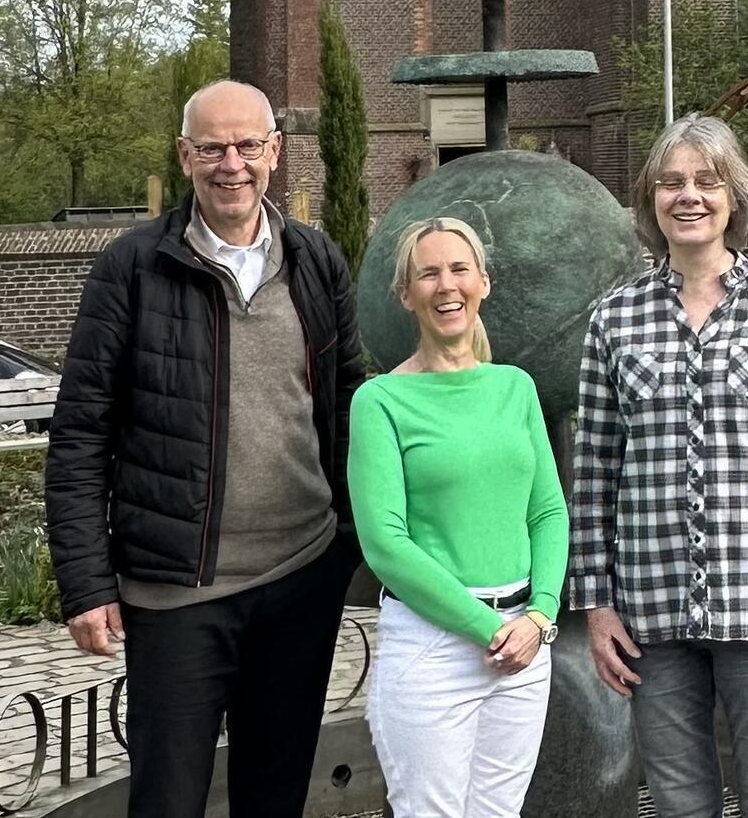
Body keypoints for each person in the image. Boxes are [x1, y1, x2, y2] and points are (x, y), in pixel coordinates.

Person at [44, 80, 365, 818]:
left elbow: (351, 410)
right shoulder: (131, 268)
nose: (232, 163)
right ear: (185, 155)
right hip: (177, 590)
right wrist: (87, 580)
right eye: (213, 147)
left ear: (274, 153)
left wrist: (350, 541)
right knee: (168, 798)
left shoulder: (316, 262)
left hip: (299, 578)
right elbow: (81, 430)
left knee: (275, 794)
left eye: (248, 145)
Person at [569, 113, 748, 818]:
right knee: (678, 800)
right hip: (649, 614)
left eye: (705, 180)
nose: (687, 195)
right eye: (671, 182)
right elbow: (593, 470)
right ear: (651, 200)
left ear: (734, 196)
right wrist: (597, 607)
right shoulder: (614, 319)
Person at [349, 216, 569, 818]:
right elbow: (385, 544)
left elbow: (548, 510)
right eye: (428, 273)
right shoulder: (380, 402)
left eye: (458, 269)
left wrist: (542, 615)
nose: (446, 285)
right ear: (406, 294)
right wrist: (486, 628)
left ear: (483, 283)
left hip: (525, 642)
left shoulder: (515, 388)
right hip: (433, 648)